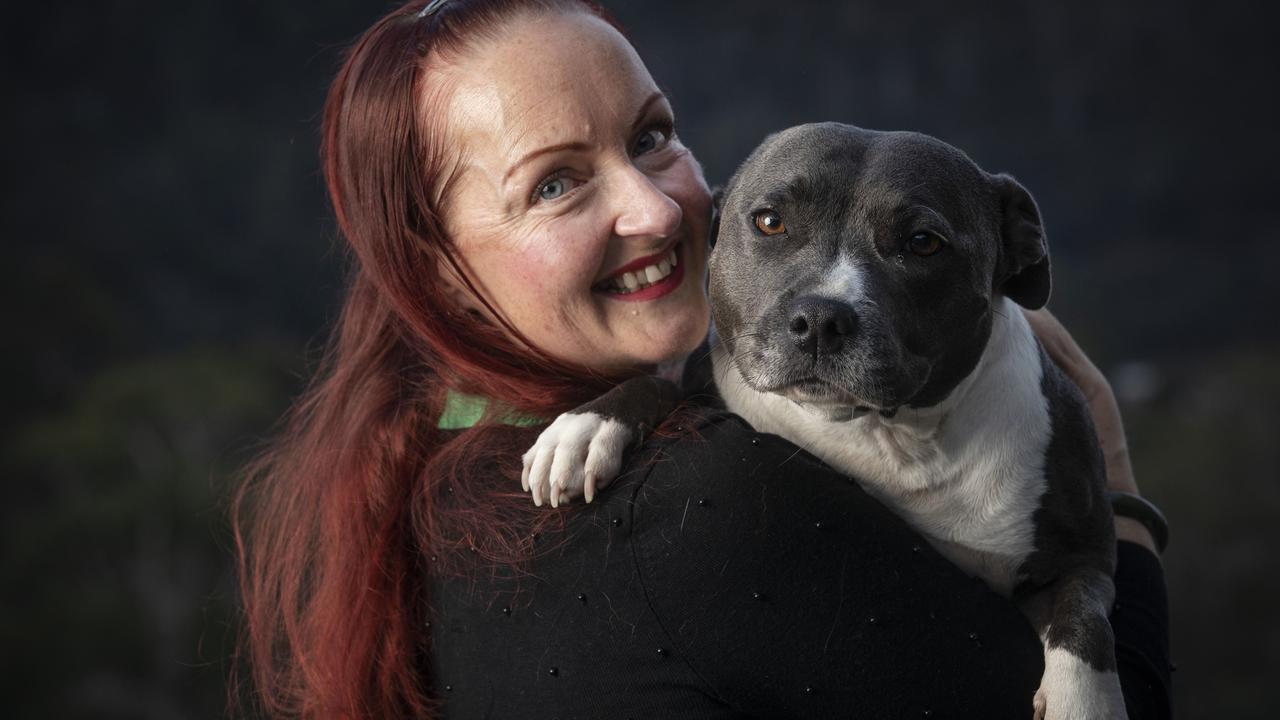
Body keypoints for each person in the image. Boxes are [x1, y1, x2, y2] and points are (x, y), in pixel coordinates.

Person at [233, 0, 1171, 718]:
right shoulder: (711, 508)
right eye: (555, 184)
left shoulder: (445, 477)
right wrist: (1116, 495)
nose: (656, 211)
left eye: (652, 137)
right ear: (432, 267)